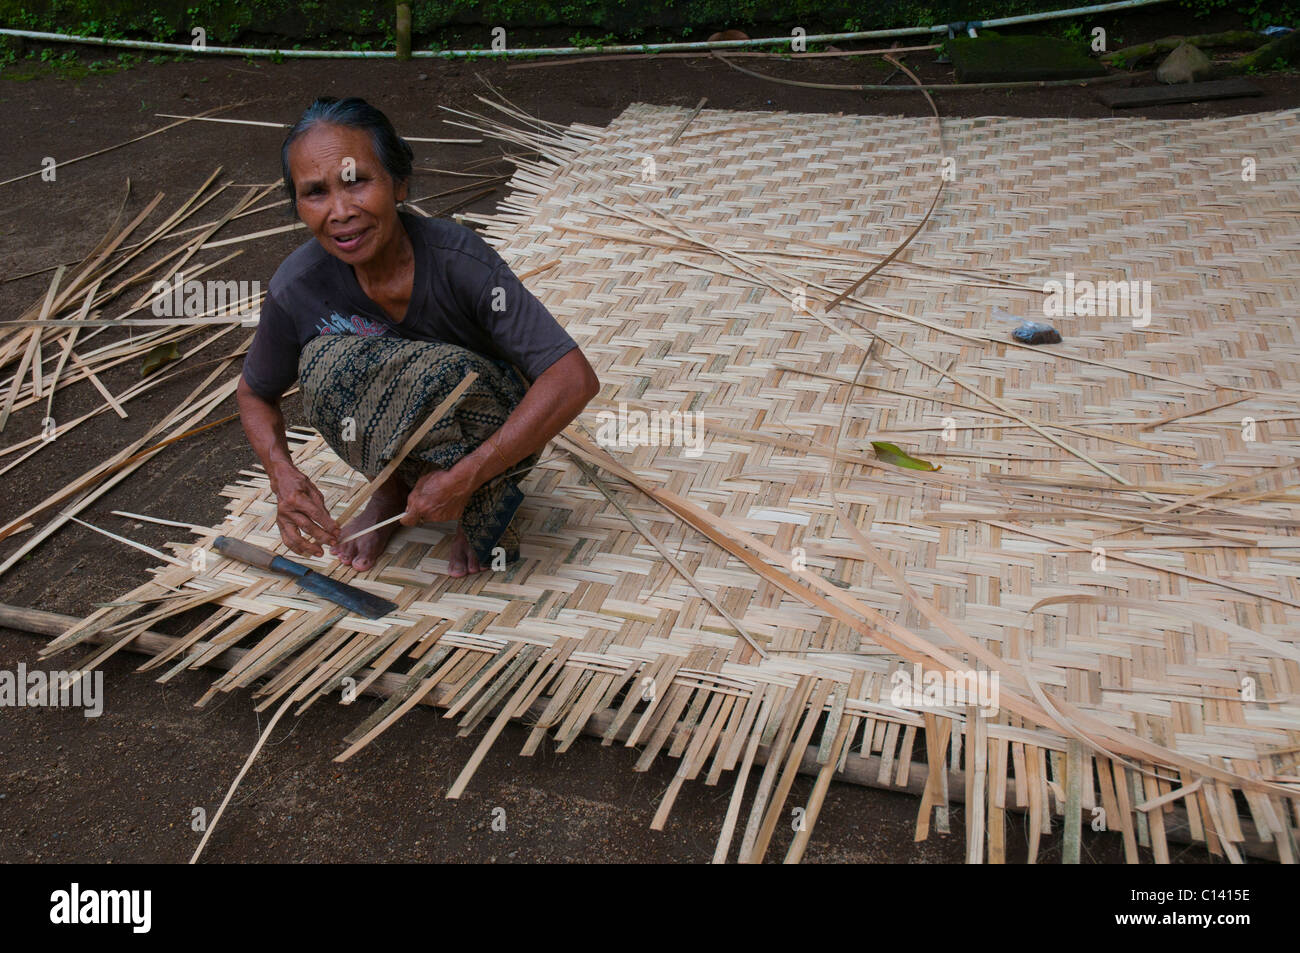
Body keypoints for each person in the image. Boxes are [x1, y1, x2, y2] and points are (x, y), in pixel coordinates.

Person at [236, 97, 599, 577]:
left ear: (399, 183)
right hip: (408, 438)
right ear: (299, 206)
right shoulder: (298, 286)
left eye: (357, 182)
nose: (340, 211)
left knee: (443, 375)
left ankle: (480, 498)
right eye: (315, 193)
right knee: (324, 366)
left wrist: (466, 477)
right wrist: (283, 476)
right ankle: (391, 487)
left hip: (488, 425)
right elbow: (255, 392)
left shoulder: (458, 260)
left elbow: (572, 379)